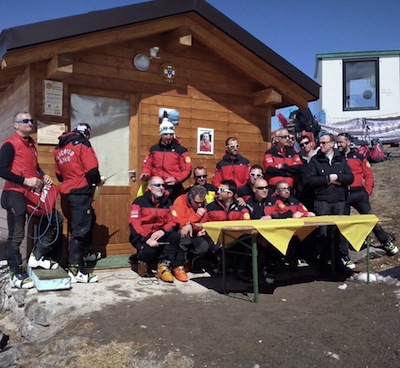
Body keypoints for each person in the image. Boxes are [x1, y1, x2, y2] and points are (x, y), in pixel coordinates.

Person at [0, 111, 63, 289]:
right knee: (17, 235)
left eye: (31, 120)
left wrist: (44, 176)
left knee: (54, 218)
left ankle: (37, 256)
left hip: (32, 194)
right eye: (25, 121)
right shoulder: (10, 144)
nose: (29, 123)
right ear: (16, 125)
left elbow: (34, 168)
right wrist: (25, 180)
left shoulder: (30, 145)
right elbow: (1, 169)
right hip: (14, 194)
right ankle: (15, 272)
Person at [53, 123, 104, 283]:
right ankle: (76, 269)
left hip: (67, 192)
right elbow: (92, 170)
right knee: (80, 230)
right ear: (87, 134)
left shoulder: (59, 148)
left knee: (85, 223)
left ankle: (84, 255)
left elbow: (59, 175)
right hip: (80, 191)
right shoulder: (83, 143)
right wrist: (98, 181)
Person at [336, 133, 398, 256]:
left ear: (348, 143)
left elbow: (368, 175)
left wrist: (367, 191)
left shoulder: (359, 157)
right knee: (342, 224)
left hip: (359, 194)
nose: (338, 145)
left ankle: (386, 242)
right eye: (337, 142)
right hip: (343, 195)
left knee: (371, 219)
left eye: (340, 142)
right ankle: (344, 254)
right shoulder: (336, 158)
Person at [307, 133, 355, 270]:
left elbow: (350, 178)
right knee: (323, 232)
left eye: (323, 143)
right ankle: (324, 262)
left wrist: (338, 177)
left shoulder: (341, 159)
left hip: (339, 200)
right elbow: (310, 181)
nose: (320, 145)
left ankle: (342, 258)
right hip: (322, 201)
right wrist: (328, 179)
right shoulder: (315, 160)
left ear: (332, 144)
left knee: (340, 231)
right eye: (319, 142)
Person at [129, 176, 187, 282]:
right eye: (157, 185)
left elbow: (174, 221)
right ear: (150, 187)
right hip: (143, 237)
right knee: (150, 251)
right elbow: (134, 223)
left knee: (175, 236)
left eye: (163, 185)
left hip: (159, 235)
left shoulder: (168, 202)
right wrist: (147, 239)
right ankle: (142, 263)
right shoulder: (139, 202)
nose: (161, 188)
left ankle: (163, 267)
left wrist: (163, 231)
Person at [202, 180, 251, 280]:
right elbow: (203, 223)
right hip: (216, 239)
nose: (217, 192)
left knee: (249, 241)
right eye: (218, 189)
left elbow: (247, 224)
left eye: (221, 190)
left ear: (230, 194)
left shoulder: (241, 207)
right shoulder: (211, 206)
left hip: (235, 239)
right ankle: (220, 263)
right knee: (222, 257)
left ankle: (240, 270)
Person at [140, 119, 192, 201]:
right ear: (161, 135)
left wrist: (176, 179)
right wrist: (146, 173)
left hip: (173, 187)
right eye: (165, 134)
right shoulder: (154, 149)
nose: (168, 137)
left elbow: (187, 169)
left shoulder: (181, 150)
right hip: (156, 185)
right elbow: (147, 165)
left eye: (171, 134)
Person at [172, 185, 212, 270]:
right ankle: (179, 264)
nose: (200, 205)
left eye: (202, 202)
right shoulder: (180, 201)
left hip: (197, 231)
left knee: (203, 246)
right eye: (196, 202)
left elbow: (205, 221)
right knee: (184, 233)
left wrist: (201, 228)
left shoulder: (205, 203)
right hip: (182, 231)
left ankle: (191, 260)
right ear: (190, 196)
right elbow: (180, 222)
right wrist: (197, 215)